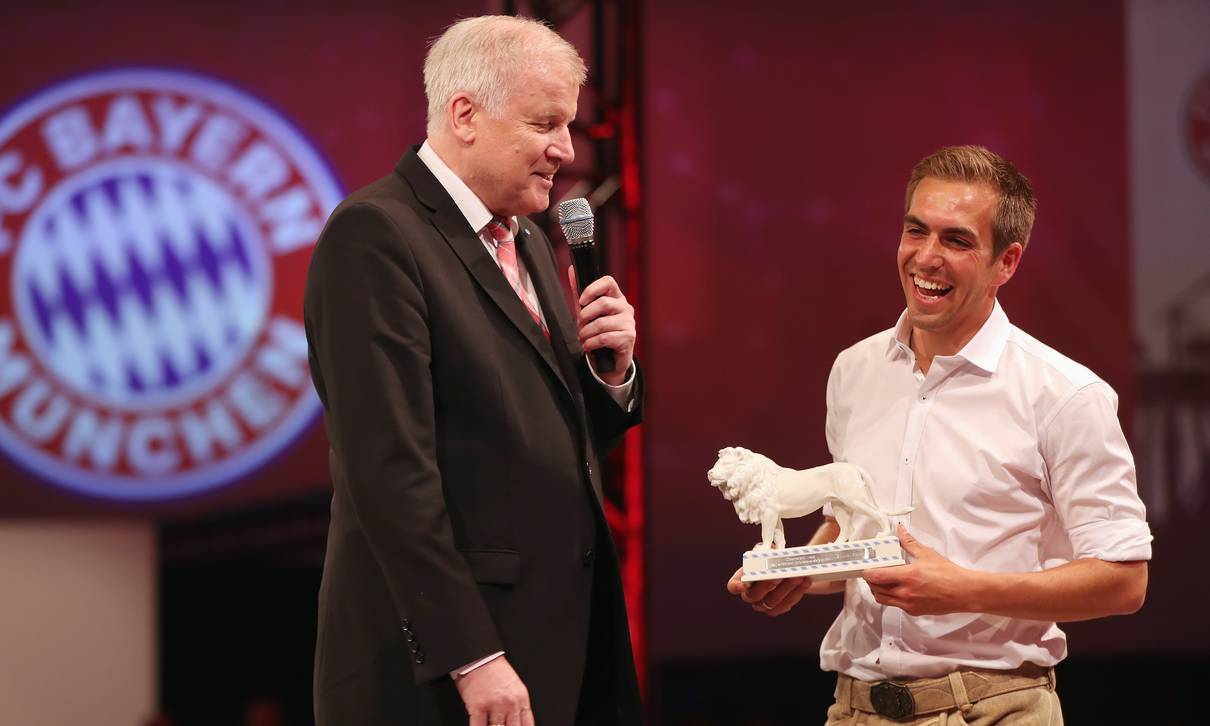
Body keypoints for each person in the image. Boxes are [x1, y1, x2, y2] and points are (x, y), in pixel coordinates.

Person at [727, 145, 1152, 724]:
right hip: (855, 708)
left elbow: (1123, 581)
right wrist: (801, 571)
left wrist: (963, 589)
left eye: (956, 240)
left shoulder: (1065, 394)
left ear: (1007, 262)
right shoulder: (855, 370)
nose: (925, 258)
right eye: (915, 231)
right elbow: (854, 522)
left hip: (996, 708)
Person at [304, 15, 643, 726]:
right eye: (545, 123)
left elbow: (534, 450)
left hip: (551, 651)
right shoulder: (376, 236)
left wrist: (608, 378)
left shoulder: (521, 235)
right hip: (444, 674)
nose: (565, 149)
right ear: (465, 114)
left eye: (570, 126)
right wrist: (472, 656)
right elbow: (388, 473)